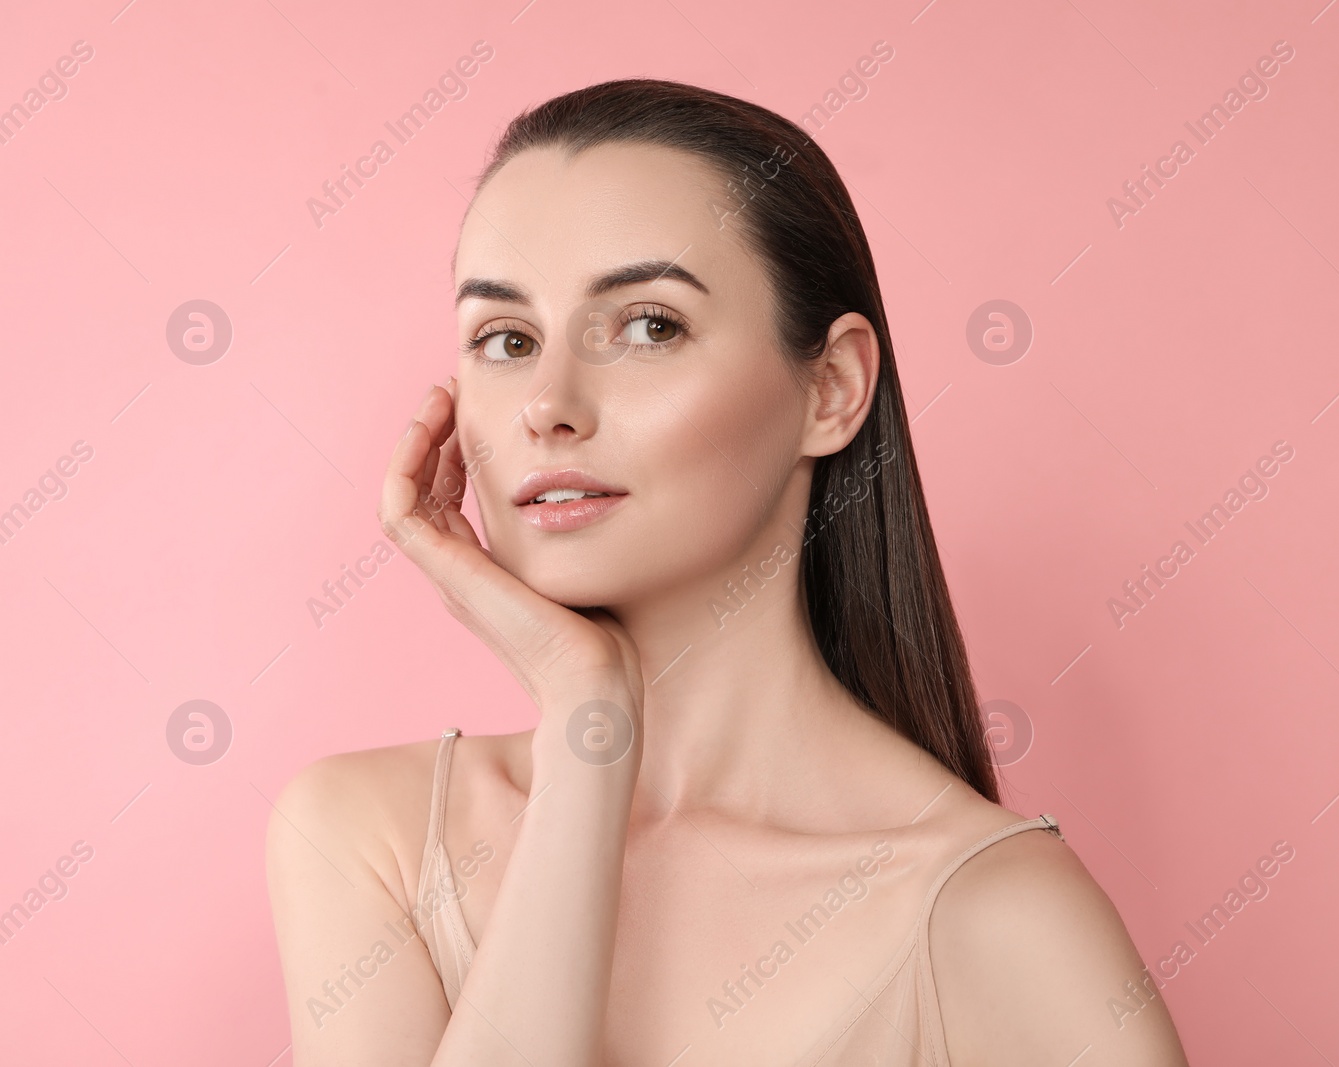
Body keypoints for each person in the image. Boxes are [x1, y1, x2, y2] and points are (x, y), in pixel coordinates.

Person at [266, 77, 1188, 1067]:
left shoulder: (997, 919)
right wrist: (590, 726)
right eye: (507, 339)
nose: (546, 404)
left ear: (829, 389)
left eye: (648, 325)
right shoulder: (371, 837)